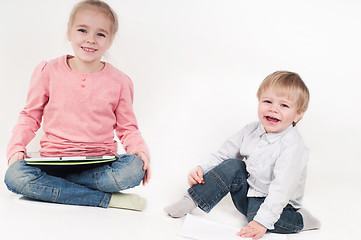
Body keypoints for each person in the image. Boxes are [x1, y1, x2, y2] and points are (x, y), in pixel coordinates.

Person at [4, 0, 150, 211]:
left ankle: (56, 190)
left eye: (101, 34)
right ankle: (107, 199)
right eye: (82, 30)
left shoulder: (120, 81)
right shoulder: (48, 71)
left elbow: (127, 128)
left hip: (100, 166)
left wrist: (139, 150)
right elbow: (30, 116)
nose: (91, 39)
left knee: (135, 169)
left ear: (110, 40)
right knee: (14, 176)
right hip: (53, 164)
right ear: (69, 32)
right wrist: (16, 147)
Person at [165, 71, 320, 239]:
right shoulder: (251, 130)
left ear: (298, 114)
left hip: (280, 204)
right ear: (259, 101)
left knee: (257, 220)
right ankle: (191, 200)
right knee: (233, 165)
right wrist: (202, 168)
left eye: (284, 105)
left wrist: (262, 222)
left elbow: (281, 189)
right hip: (249, 193)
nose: (273, 109)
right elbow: (223, 155)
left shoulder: (293, 146)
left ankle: (301, 220)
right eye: (267, 101)